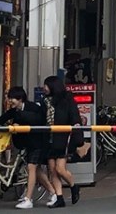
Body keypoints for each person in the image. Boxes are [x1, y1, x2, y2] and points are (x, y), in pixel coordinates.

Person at [0, 87, 56, 210]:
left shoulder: (33, 108)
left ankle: (28, 199)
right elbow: (3, 118)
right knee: (36, 170)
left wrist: (20, 123)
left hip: (38, 142)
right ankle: (53, 193)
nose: (9, 101)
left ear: (20, 99)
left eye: (12, 98)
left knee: (31, 167)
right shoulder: (14, 110)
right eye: (9, 98)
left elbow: (38, 120)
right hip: (27, 143)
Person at [42, 76, 82, 208]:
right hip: (49, 137)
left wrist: (76, 125)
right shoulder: (44, 101)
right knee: (52, 170)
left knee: (60, 168)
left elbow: (74, 114)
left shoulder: (67, 98)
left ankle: (74, 186)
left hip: (62, 137)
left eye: (46, 85)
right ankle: (59, 198)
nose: (44, 88)